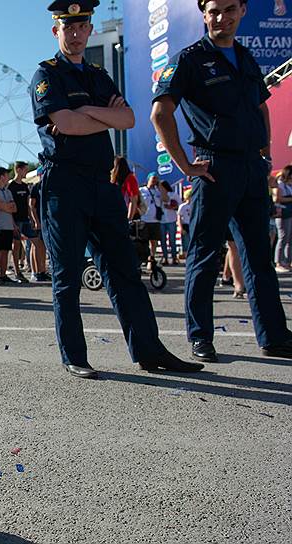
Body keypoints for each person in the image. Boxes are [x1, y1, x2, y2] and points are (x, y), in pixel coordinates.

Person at [30, 1, 201, 378]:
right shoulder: (46, 74)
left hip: (102, 183)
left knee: (125, 270)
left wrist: (86, 113)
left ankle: (149, 350)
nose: (75, 34)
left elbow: (128, 118)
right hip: (64, 183)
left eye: (81, 26)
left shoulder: (98, 75)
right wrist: (99, 115)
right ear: (56, 31)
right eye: (67, 27)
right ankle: (75, 355)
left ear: (89, 29)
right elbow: (65, 124)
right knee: (68, 276)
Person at [151, 0, 292, 362]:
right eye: (213, 11)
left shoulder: (244, 58)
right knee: (204, 255)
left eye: (229, 9)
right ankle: (200, 337)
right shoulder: (190, 59)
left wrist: (265, 155)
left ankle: (274, 336)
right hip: (213, 168)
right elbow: (160, 111)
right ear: (203, 13)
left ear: (242, 11)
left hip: (250, 169)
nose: (221, 18)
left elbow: (260, 106)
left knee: (259, 256)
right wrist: (184, 164)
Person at [7, 161, 31, 283]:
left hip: (26, 219)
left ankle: (34, 269)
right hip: (16, 220)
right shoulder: (11, 186)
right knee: (15, 247)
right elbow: (9, 206)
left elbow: (28, 203)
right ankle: (17, 272)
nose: (26, 172)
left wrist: (31, 217)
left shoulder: (25, 186)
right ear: (18, 170)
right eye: (25, 170)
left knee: (36, 241)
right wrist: (12, 222)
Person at [139, 173, 167, 263]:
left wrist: (160, 187)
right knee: (144, 241)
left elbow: (166, 199)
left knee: (154, 241)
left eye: (156, 179)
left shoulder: (158, 191)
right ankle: (144, 258)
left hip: (155, 220)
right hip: (144, 219)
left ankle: (151, 258)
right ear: (148, 179)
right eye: (153, 178)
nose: (155, 180)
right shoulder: (142, 190)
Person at [27, 178, 50, 281]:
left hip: (47, 220)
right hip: (39, 221)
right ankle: (36, 271)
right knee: (37, 245)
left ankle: (42, 270)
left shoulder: (49, 184)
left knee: (43, 247)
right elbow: (31, 205)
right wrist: (36, 221)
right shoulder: (36, 187)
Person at [273, 165, 292, 272]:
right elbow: (277, 198)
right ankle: (278, 262)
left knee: (289, 239)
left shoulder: (289, 184)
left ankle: (287, 262)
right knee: (283, 237)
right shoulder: (280, 183)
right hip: (282, 213)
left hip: (289, 213)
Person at [110, 156, 141, 221]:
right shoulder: (115, 180)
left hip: (127, 215)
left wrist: (129, 219)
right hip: (117, 214)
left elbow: (133, 200)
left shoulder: (130, 178)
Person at [160, 181, 180, 265]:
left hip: (171, 220)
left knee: (172, 240)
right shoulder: (158, 195)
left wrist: (172, 207)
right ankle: (165, 257)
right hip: (161, 220)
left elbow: (179, 205)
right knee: (162, 240)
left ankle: (174, 257)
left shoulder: (173, 194)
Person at [177, 189, 192, 259]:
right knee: (185, 241)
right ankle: (186, 254)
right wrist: (180, 227)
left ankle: (192, 254)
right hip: (185, 224)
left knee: (192, 240)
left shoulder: (195, 205)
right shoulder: (182, 206)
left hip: (192, 225)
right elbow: (179, 217)